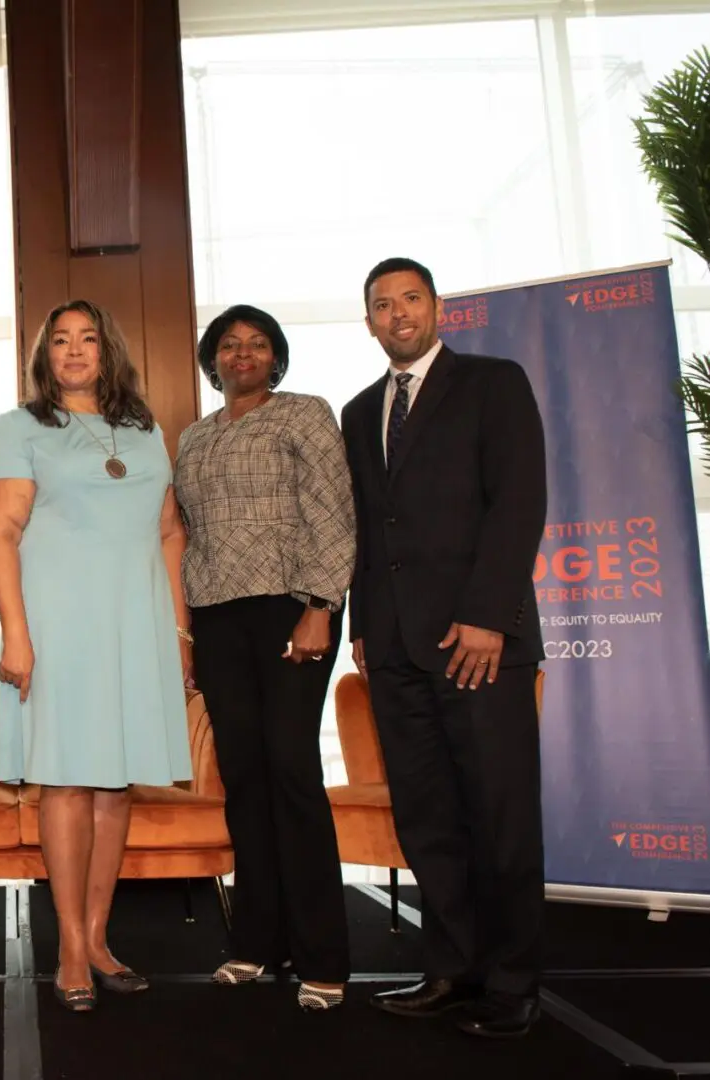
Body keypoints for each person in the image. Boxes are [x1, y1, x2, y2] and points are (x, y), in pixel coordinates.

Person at [341, 257, 547, 1038]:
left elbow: (518, 500)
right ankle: (451, 969)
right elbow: (366, 527)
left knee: (498, 815)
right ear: (367, 322)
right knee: (428, 818)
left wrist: (488, 615)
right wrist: (363, 623)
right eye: (381, 304)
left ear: (435, 308)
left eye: (409, 299)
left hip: (478, 643)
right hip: (393, 647)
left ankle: (512, 981)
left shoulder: (493, 383)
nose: (397, 313)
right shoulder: (360, 412)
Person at [0, 299, 192, 1012]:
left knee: (114, 786)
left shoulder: (145, 428)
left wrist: (179, 631)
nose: (73, 351)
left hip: (136, 626)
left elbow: (167, 532)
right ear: (44, 356)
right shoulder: (19, 428)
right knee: (67, 782)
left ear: (108, 352)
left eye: (87, 339)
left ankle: (99, 938)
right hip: (57, 627)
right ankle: (69, 946)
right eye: (60, 341)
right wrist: (14, 632)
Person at [175, 305, 356, 1011]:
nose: (242, 354)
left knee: (289, 770)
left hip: (292, 609)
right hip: (217, 619)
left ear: (275, 358)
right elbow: (188, 534)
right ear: (211, 359)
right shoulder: (191, 437)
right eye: (229, 345)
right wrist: (187, 631)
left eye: (256, 344)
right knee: (243, 777)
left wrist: (320, 605)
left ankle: (324, 956)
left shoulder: (304, 414)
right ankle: (255, 942)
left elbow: (334, 512)